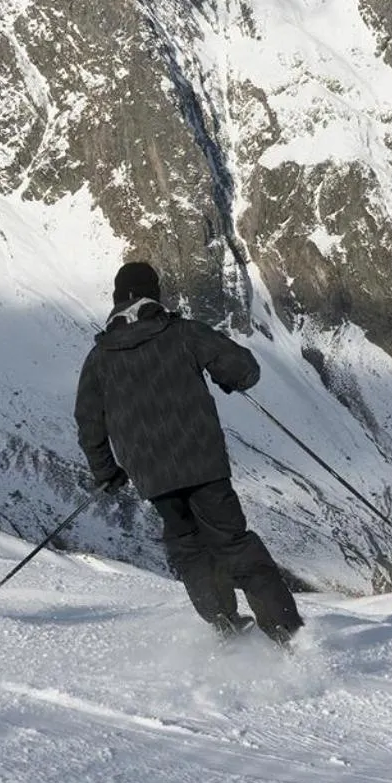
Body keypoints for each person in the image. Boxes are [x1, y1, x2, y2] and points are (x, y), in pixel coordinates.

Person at [74, 261, 304, 643]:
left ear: (117, 301)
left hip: (152, 477)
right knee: (233, 541)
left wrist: (107, 472)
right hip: (203, 464)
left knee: (188, 547)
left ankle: (224, 624)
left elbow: (89, 422)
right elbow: (243, 368)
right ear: (155, 295)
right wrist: (231, 379)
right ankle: (284, 631)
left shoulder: (100, 358)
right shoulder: (182, 333)